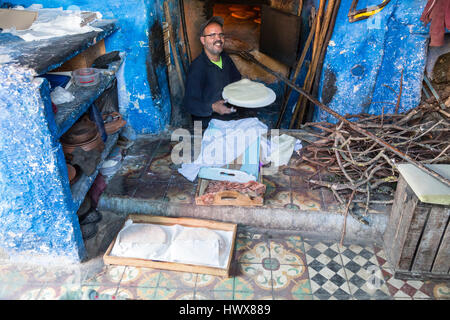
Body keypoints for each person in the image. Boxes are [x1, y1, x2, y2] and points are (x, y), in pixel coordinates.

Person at [183, 16, 242, 129]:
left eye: (220, 35)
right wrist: (213, 107)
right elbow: (190, 103)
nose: (218, 38)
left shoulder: (225, 58)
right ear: (203, 40)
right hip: (209, 124)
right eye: (212, 35)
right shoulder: (197, 67)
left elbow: (237, 80)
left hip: (230, 117)